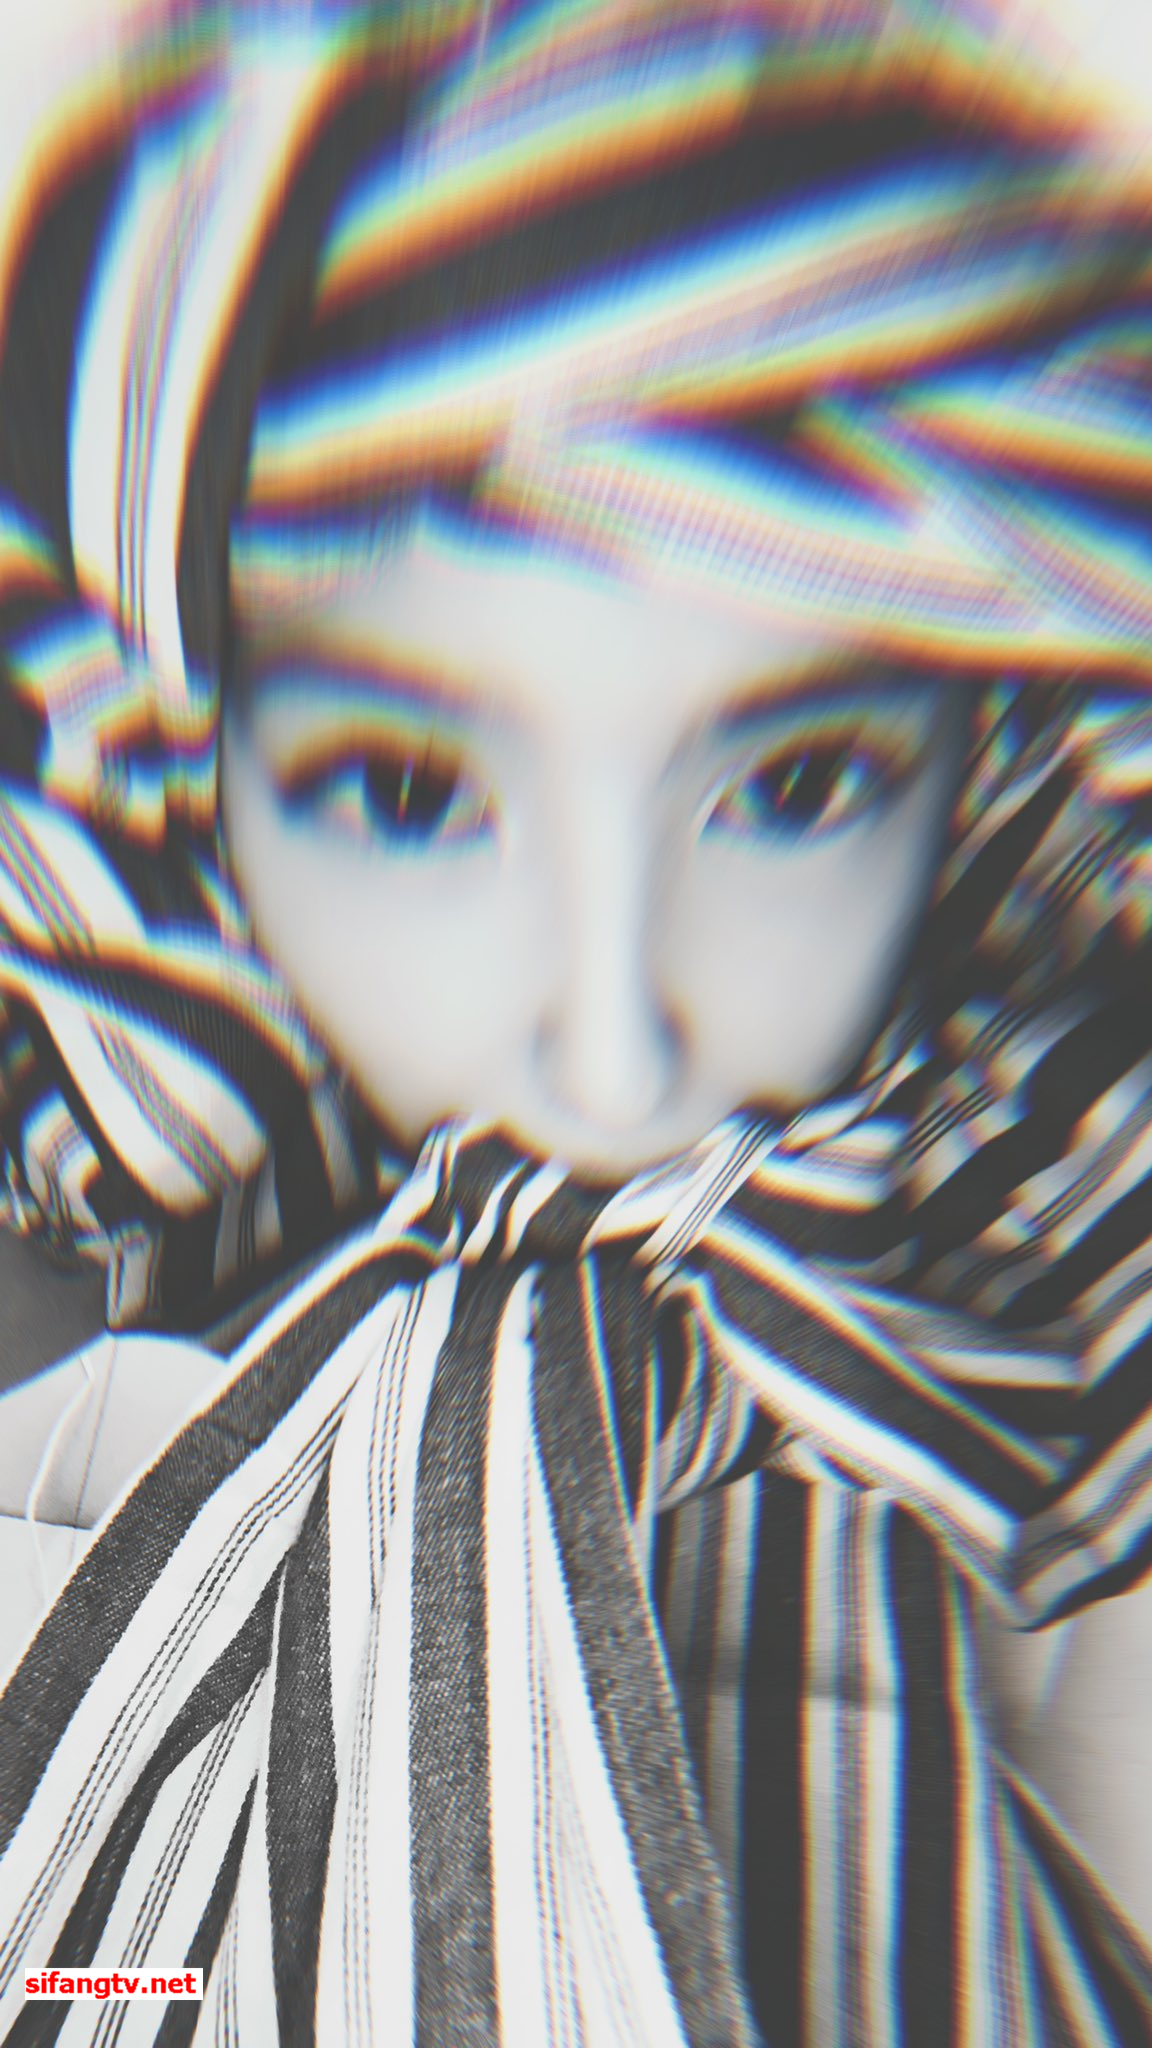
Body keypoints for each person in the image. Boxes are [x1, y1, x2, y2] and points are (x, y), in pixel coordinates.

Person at [2, 5, 1152, 2042]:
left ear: (986, 773)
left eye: (798, 785)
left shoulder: (1050, 1366)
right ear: (183, 781)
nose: (616, 1054)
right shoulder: (61, 1347)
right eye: (407, 790)